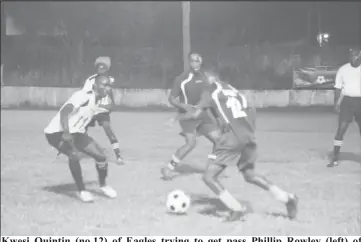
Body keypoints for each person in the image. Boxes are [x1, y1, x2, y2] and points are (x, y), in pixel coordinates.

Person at [174, 70, 298, 221]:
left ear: (211, 79)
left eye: (203, 80)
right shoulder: (233, 90)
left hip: (233, 138)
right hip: (249, 136)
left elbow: (195, 113)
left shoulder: (210, 91)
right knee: (250, 175)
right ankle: (288, 198)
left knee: (208, 177)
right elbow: (250, 110)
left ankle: (236, 208)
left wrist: (177, 117)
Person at [44, 75, 117, 203]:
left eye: (108, 85)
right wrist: (66, 133)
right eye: (104, 85)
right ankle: (82, 191)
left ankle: (103, 185)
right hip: (57, 132)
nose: (107, 88)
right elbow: (65, 112)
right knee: (74, 155)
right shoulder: (83, 96)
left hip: (76, 133)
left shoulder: (99, 101)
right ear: (94, 86)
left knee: (101, 156)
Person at [161, 52, 222, 180]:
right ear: (189, 62)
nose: (196, 63)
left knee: (218, 141)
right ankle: (169, 169)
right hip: (187, 115)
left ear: (201, 62)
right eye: (193, 60)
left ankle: (210, 169)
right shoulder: (182, 79)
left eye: (198, 60)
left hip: (203, 115)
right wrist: (184, 107)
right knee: (191, 143)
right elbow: (172, 98)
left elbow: (209, 100)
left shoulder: (206, 78)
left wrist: (217, 118)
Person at [83, 57, 124, 164]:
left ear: (107, 69)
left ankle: (118, 156)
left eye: (104, 67)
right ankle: (79, 150)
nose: (101, 68)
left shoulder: (110, 80)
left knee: (108, 131)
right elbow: (84, 94)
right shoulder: (90, 80)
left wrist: (111, 105)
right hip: (91, 109)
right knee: (81, 129)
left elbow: (111, 94)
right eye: (99, 66)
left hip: (102, 110)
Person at [328, 48, 361, 167]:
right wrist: (336, 103)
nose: (354, 58)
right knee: (341, 129)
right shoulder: (343, 70)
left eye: (357, 55)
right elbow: (338, 88)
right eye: (352, 55)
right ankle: (335, 157)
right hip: (347, 102)